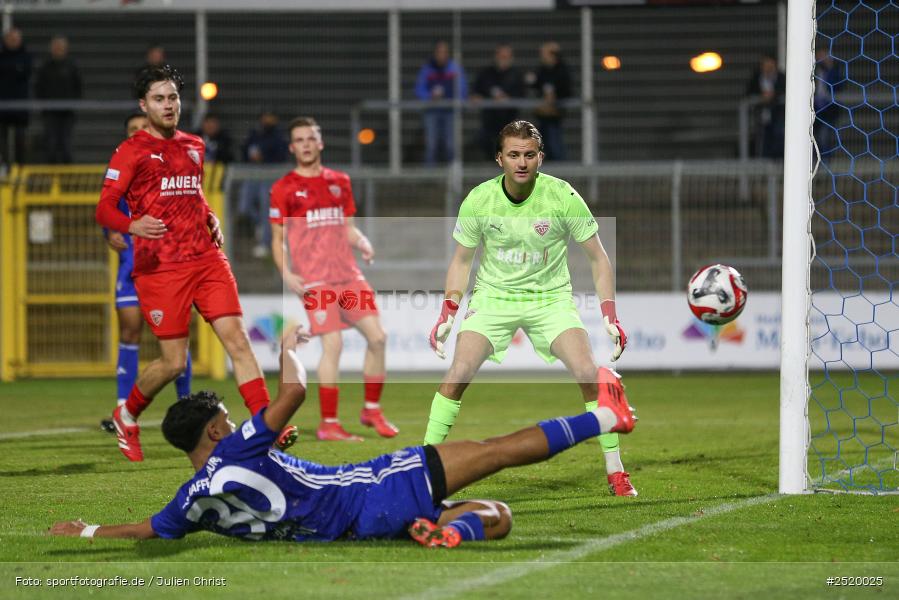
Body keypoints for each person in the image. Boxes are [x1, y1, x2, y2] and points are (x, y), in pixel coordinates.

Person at [49, 327, 637, 546]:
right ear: (213, 429)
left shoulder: (191, 500)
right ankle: (607, 417)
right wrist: (288, 351)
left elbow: (148, 529)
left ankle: (444, 530)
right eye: (225, 418)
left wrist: (89, 530)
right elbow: (293, 393)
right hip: (371, 488)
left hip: (356, 527)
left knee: (498, 513)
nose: (231, 424)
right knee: (496, 452)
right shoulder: (236, 447)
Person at [94, 64, 295, 462]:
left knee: (238, 341)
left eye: (172, 98)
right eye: (158, 99)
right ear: (143, 104)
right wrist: (132, 223)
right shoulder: (130, 150)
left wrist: (209, 216)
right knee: (172, 363)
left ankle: (267, 425)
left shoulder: (194, 145)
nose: (168, 106)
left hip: (205, 258)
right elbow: (103, 209)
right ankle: (128, 414)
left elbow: (194, 193)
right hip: (161, 268)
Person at [425, 120, 637, 497]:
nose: (521, 162)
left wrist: (610, 313)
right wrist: (448, 311)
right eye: (513, 155)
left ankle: (616, 470)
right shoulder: (479, 199)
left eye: (528, 154)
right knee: (457, 373)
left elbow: (598, 258)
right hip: (493, 298)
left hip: (550, 299)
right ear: (499, 159)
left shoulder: (562, 196)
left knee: (588, 372)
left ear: (540, 157)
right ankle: (423, 469)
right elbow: (461, 261)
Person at [270, 116, 397, 441]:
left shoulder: (339, 181)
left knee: (378, 338)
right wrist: (287, 274)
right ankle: (329, 424)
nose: (306, 144)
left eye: (311, 138)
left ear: (320, 142)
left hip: (348, 275)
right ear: (292, 146)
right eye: (299, 140)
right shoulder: (283, 188)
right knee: (334, 344)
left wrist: (363, 241)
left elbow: (348, 228)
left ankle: (372, 409)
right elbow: (277, 239)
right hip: (315, 280)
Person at [98, 112, 192, 435]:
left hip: (167, 263)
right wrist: (109, 233)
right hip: (131, 265)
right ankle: (123, 408)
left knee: (175, 339)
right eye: (132, 130)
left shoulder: (169, 164)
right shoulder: (120, 169)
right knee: (130, 332)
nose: (139, 133)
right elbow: (106, 210)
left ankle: (187, 405)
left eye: (142, 127)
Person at [238, 110, 288, 258]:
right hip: (253, 174)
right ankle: (259, 223)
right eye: (265, 117)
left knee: (267, 206)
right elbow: (244, 150)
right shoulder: (255, 133)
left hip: (270, 176)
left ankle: (265, 243)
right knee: (244, 206)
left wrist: (264, 156)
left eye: (271, 117)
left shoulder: (278, 136)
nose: (268, 120)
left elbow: (281, 155)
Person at [414, 40, 467, 166]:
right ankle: (430, 179)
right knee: (431, 145)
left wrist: (455, 100)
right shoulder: (427, 69)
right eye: (439, 52)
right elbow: (419, 89)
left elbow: (462, 89)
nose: (441, 55)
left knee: (451, 145)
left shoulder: (454, 68)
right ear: (434, 53)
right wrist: (429, 97)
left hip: (450, 112)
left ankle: (453, 179)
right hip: (432, 111)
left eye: (444, 52)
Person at [472, 44, 526, 160]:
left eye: (506, 56)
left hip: (510, 121)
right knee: (484, 141)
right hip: (490, 121)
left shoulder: (516, 75)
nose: (503, 59)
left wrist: (508, 98)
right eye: (501, 56)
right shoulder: (486, 74)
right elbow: (477, 90)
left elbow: (522, 94)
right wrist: (477, 96)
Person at [34, 35, 82, 164]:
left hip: (67, 113)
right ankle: (51, 177)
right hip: (50, 113)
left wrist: (72, 104)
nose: (58, 49)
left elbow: (78, 87)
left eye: (61, 47)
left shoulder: (72, 66)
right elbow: (39, 87)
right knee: (51, 145)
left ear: (66, 49)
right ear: (51, 48)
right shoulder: (45, 67)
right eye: (56, 47)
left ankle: (67, 179)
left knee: (66, 145)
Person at [530, 42, 571, 161]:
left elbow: (566, 91)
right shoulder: (541, 71)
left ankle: (561, 174)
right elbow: (534, 86)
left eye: (544, 53)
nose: (542, 56)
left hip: (555, 116)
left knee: (555, 144)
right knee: (543, 146)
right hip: (542, 116)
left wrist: (554, 100)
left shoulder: (562, 71)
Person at [0, 28, 32, 166]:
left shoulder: (26, 56)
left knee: (21, 139)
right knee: (2, 141)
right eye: (10, 39)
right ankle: (4, 167)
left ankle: (21, 168)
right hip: (2, 107)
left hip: (20, 106)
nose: (13, 42)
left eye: (15, 39)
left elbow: (24, 72)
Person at [745, 54, 785, 159]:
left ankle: (779, 162)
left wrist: (773, 96)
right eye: (765, 65)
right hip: (761, 118)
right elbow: (748, 94)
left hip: (779, 116)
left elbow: (785, 92)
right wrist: (761, 97)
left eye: (770, 65)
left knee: (779, 136)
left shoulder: (782, 77)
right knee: (761, 141)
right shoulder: (756, 78)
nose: (767, 68)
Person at [813, 48, 844, 161]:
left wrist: (830, 66)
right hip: (815, 111)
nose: (821, 58)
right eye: (819, 56)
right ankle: (815, 162)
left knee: (824, 137)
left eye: (823, 55)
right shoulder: (814, 71)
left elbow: (839, 86)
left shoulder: (834, 71)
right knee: (815, 139)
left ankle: (825, 163)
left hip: (828, 111)